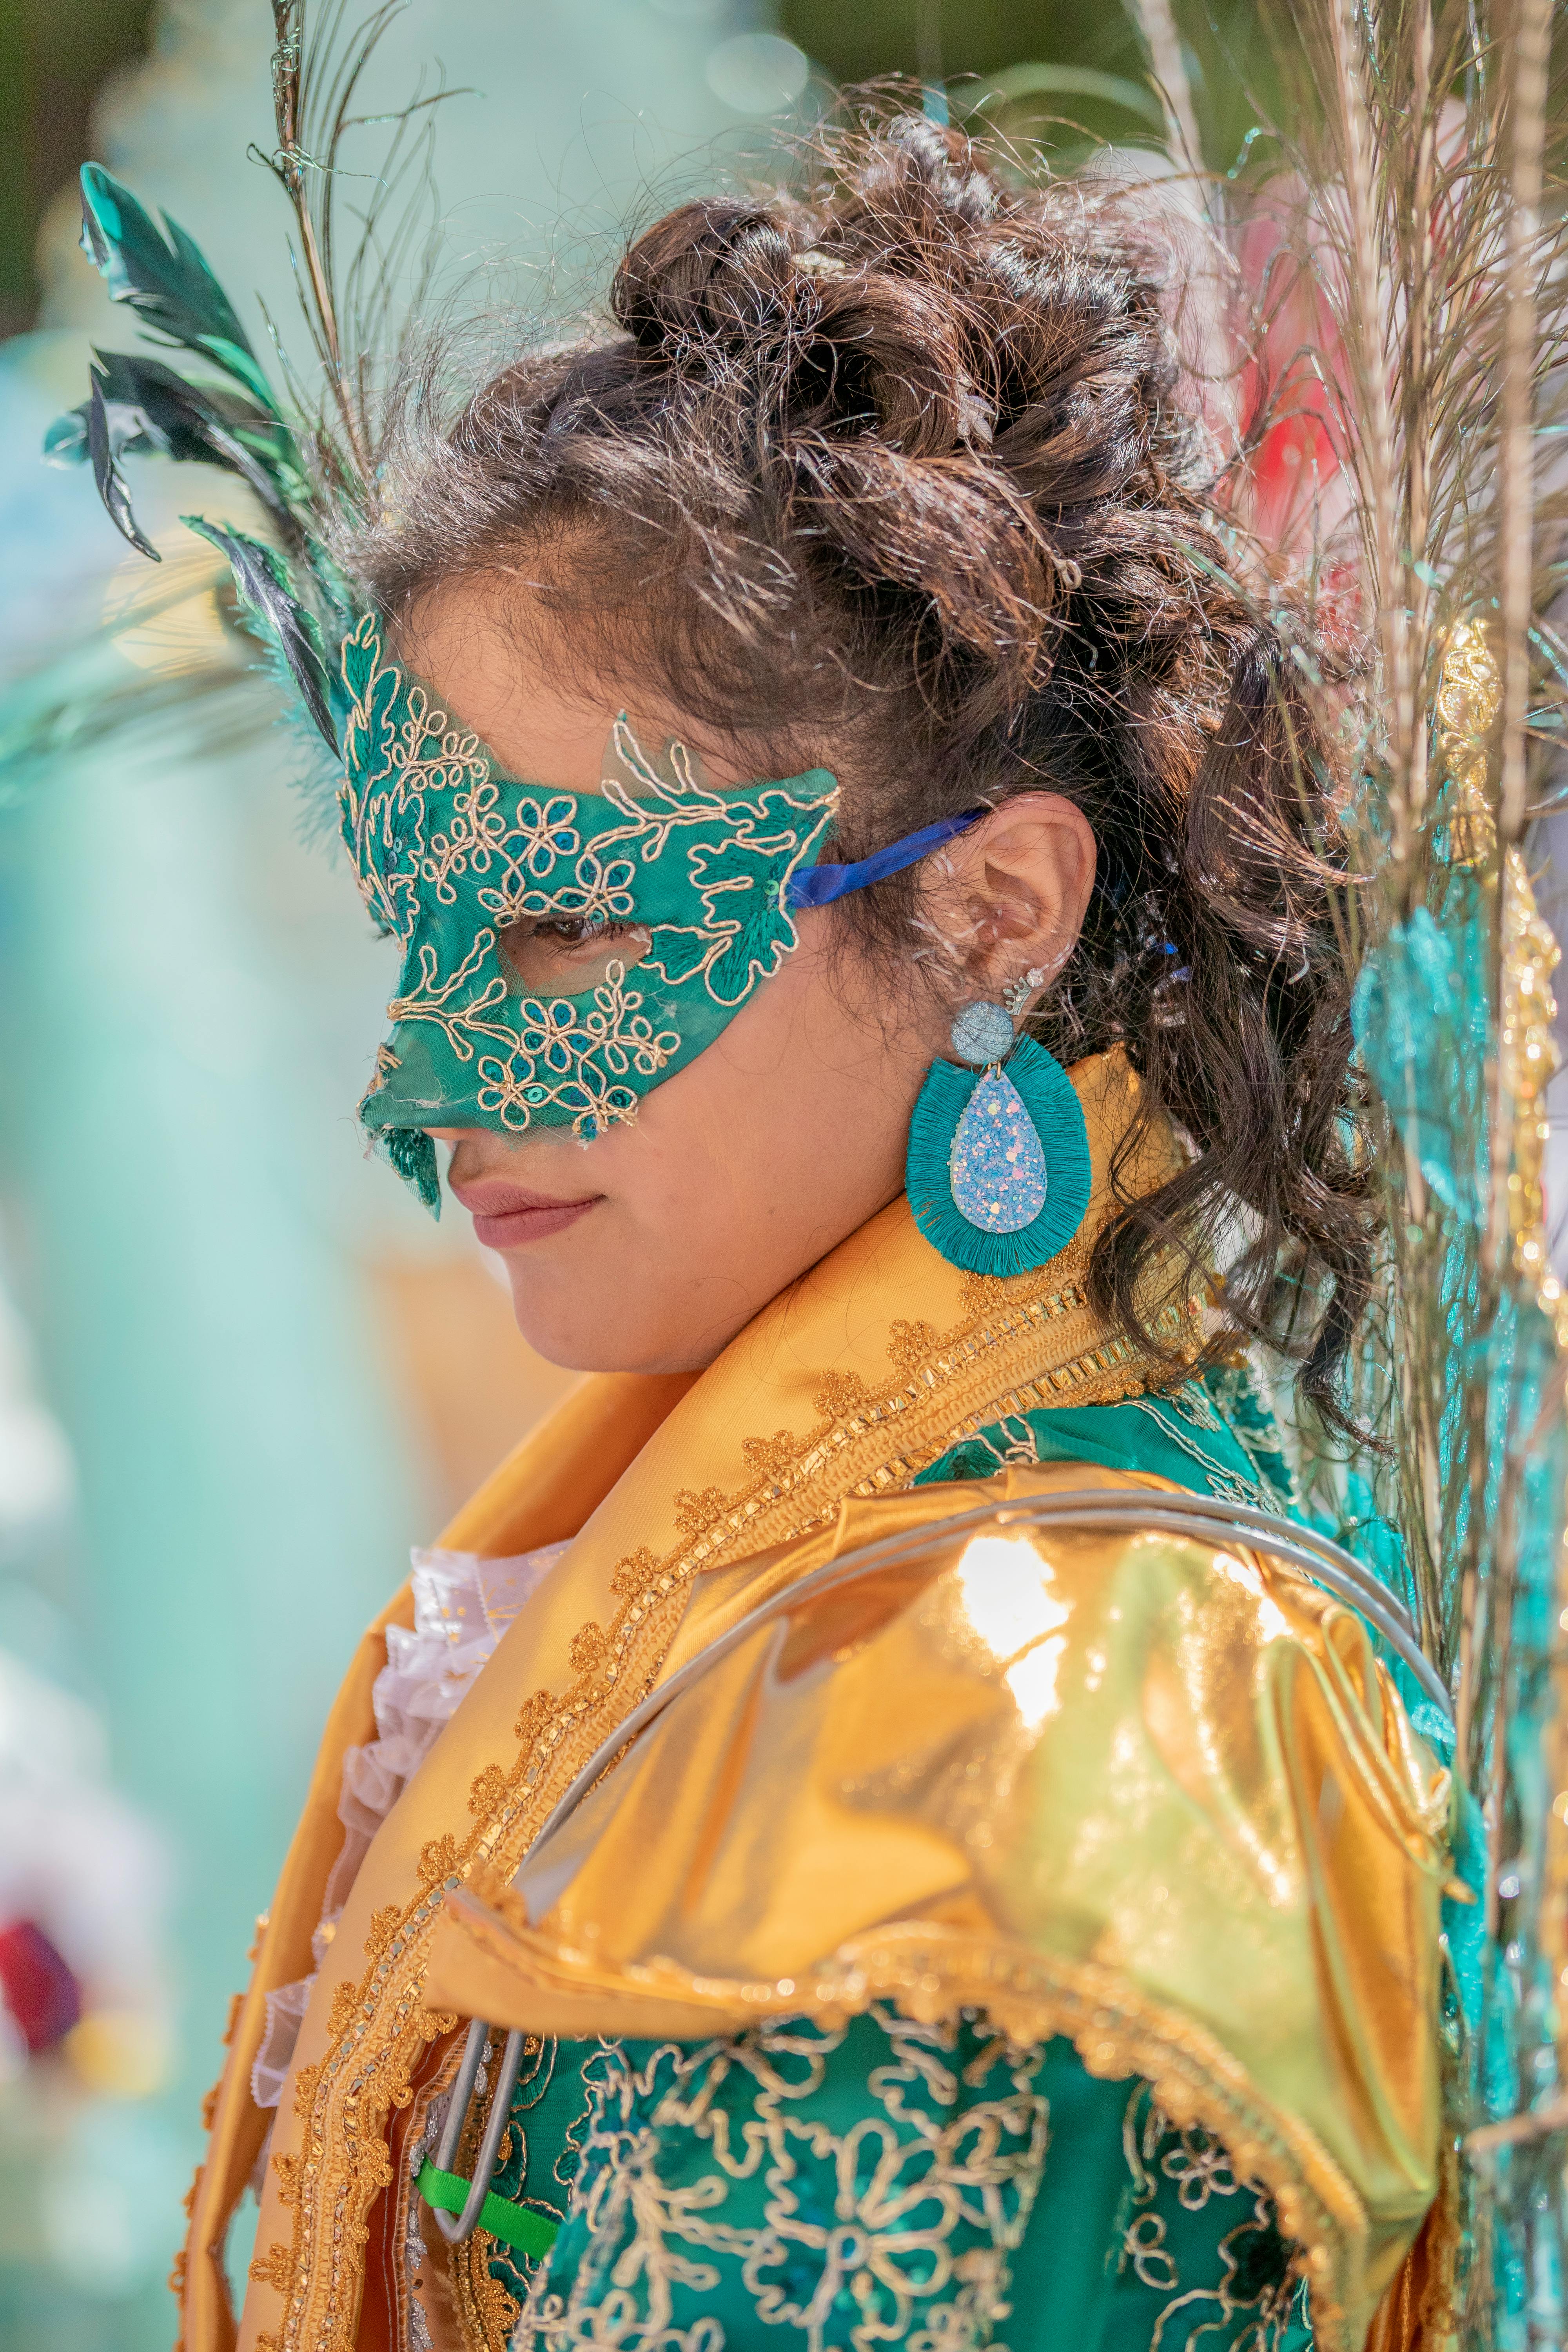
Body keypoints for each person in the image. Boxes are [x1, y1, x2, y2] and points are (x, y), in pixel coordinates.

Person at [61, 100, 1449, 2352]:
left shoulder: (1022, 1720)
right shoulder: (814, 1571)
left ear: (989, 916)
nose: (420, 1086)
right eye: (412, 948)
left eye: (563, 930)